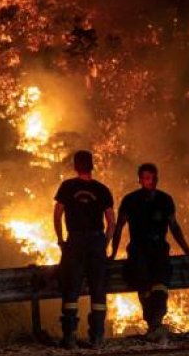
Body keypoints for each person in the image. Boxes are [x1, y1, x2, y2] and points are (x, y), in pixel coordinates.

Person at [110, 163, 189, 344]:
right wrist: (112, 254)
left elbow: (174, 226)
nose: (152, 181)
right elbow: (118, 228)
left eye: (154, 177)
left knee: (160, 287)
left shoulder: (165, 200)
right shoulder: (130, 200)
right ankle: (153, 325)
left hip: (159, 251)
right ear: (140, 180)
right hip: (138, 251)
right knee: (143, 286)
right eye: (148, 178)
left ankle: (156, 324)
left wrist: (187, 250)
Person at [53, 150, 115, 349]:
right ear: (92, 165)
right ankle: (96, 338)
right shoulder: (103, 190)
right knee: (98, 290)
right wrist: (103, 244)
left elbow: (57, 215)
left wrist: (61, 240)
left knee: (71, 288)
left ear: (75, 166)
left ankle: (69, 337)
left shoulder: (67, 187)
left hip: (75, 241)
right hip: (96, 240)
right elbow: (111, 223)